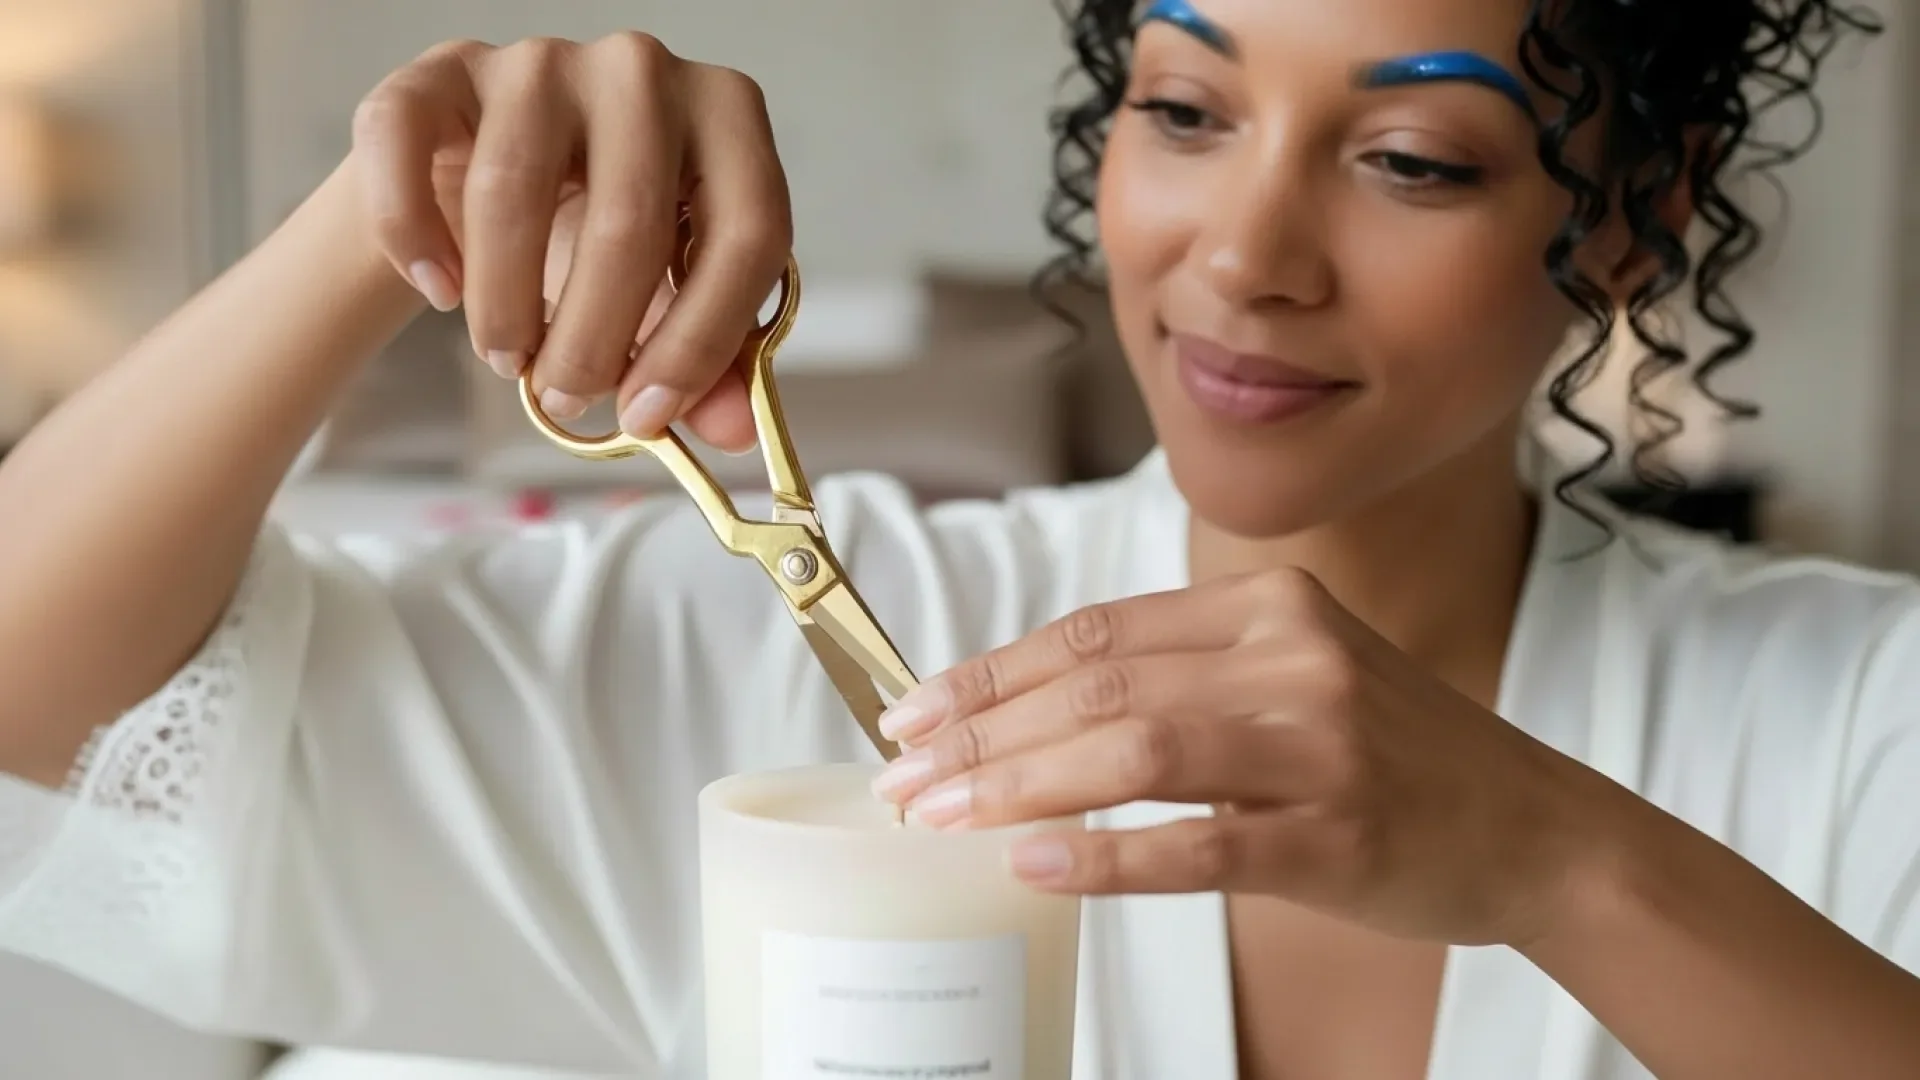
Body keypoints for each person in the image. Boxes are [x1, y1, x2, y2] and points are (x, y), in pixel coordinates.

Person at [0, 0, 1915, 1078]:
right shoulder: (779, 668)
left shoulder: (1862, 716)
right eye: (1183, 110)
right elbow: (40, 703)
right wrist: (384, 211)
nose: (1240, 260)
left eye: (1413, 159)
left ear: (1633, 219)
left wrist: (1551, 859)